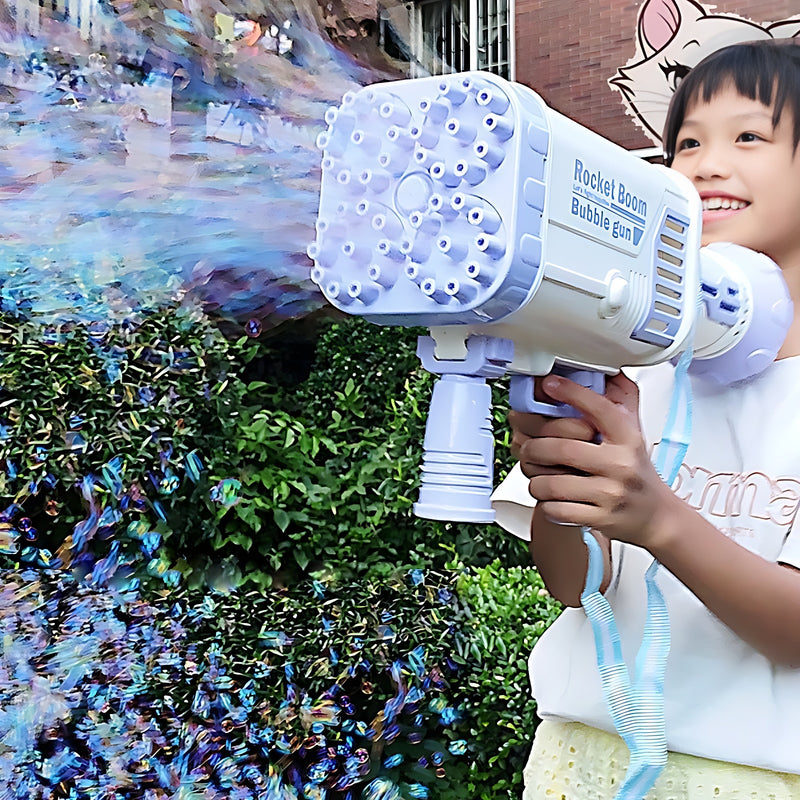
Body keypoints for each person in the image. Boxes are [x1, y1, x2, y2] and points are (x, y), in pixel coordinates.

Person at [491, 40, 800, 799]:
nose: (704, 164)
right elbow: (571, 585)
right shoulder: (631, 370)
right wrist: (561, 475)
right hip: (576, 760)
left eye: (748, 136)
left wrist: (657, 517)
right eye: (687, 142)